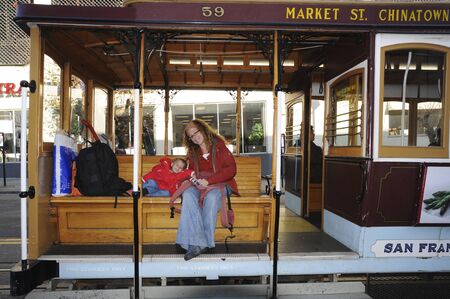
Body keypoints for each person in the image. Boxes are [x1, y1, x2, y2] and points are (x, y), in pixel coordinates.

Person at [177, 119, 238, 261]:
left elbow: (231, 170)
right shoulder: (193, 152)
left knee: (211, 197)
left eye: (195, 133)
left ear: (203, 130)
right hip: (201, 185)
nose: (194, 138)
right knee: (187, 194)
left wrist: (209, 181)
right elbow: (192, 170)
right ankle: (199, 242)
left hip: (222, 184)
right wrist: (192, 177)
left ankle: (200, 243)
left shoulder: (219, 145)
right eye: (191, 136)